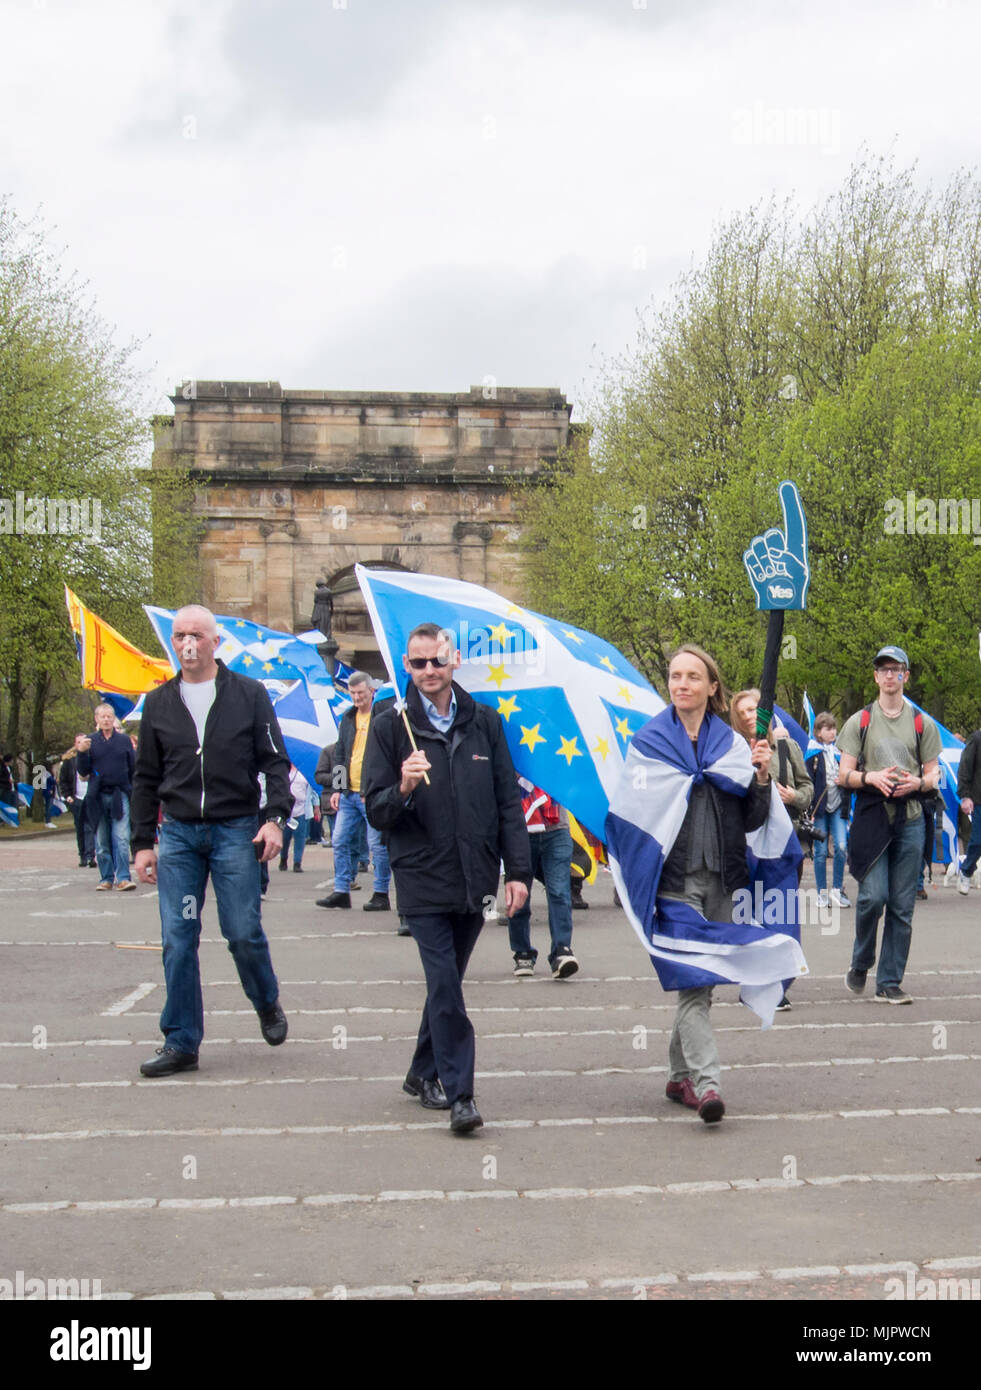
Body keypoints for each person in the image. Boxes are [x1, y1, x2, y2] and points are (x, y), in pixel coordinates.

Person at [362, 622, 531, 1134]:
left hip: (475, 876)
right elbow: (375, 809)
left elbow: (507, 800)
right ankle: (462, 1094)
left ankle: (420, 1072)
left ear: (454, 660)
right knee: (444, 984)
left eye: (437, 661)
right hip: (421, 876)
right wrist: (404, 787)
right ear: (406, 666)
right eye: (418, 663)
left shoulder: (485, 721)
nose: (429, 671)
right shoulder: (390, 724)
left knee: (447, 984)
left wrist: (518, 870)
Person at [608, 645, 787, 1124]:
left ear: (712, 688)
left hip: (724, 881)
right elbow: (630, 815)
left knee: (702, 985)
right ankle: (707, 1086)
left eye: (692, 676)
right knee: (693, 984)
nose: (681, 683)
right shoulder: (649, 743)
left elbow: (751, 819)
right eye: (674, 676)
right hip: (672, 883)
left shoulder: (732, 747)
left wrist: (762, 778)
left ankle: (675, 1074)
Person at [130, 604, 291, 1077]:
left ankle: (266, 1000)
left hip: (235, 830)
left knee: (241, 931)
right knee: (178, 937)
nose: (188, 644)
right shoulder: (159, 703)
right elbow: (145, 779)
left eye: (197, 635)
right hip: (179, 834)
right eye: (180, 635)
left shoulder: (248, 694)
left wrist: (276, 818)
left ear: (215, 642)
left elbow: (275, 762)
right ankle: (181, 1041)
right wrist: (142, 841)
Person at [837, 646, 941, 1004]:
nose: (890, 676)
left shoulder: (921, 723)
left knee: (901, 905)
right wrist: (870, 777)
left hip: (911, 818)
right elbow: (843, 774)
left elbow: (933, 774)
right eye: (883, 670)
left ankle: (889, 981)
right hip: (873, 817)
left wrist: (920, 783)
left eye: (897, 670)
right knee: (872, 897)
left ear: (906, 676)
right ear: (876, 676)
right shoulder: (860, 720)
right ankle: (861, 961)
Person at [317, 673, 392, 912]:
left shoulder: (383, 715)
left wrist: (375, 787)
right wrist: (338, 788)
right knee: (339, 841)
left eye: (360, 693)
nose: (357, 697)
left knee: (376, 845)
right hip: (349, 793)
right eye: (353, 693)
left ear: (371, 691)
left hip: (370, 793)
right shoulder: (348, 718)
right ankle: (341, 891)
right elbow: (340, 753)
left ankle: (381, 893)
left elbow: (388, 754)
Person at [509, 781, 579, 979]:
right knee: (520, 892)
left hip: (556, 827)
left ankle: (561, 950)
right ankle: (522, 952)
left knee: (559, 892)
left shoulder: (554, 750)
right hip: (520, 827)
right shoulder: (513, 749)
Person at [77, 704, 136, 890]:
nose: (106, 720)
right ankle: (106, 878)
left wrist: (134, 789)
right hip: (98, 795)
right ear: (96, 719)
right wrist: (82, 753)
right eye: (102, 717)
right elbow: (83, 771)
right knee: (101, 840)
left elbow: (133, 768)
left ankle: (124, 877)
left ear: (114, 719)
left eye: (109, 716)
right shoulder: (90, 741)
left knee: (121, 837)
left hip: (120, 794)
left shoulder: (124, 741)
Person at [59, 736, 96, 867]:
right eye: (79, 742)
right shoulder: (69, 762)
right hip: (77, 799)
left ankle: (92, 856)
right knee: (80, 828)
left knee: (90, 827)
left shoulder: (92, 758)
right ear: (75, 744)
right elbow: (63, 780)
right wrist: (68, 796)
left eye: (84, 742)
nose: (82, 744)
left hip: (91, 797)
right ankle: (83, 855)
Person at [955, 725, 981, 894]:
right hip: (979, 798)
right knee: (978, 840)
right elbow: (965, 767)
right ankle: (965, 871)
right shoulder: (976, 739)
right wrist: (965, 795)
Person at [279, 764, 312, 872]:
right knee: (285, 838)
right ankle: (283, 859)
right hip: (286, 812)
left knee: (300, 839)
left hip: (301, 811)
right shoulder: (283, 771)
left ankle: (297, 863)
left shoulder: (304, 774)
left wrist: (315, 807)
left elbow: (311, 791)